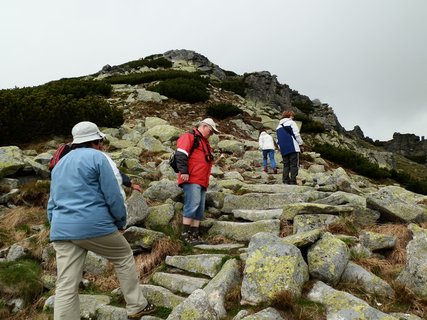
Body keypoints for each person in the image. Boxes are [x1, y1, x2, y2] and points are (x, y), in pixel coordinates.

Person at [47, 121, 155, 320]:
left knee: (65, 285)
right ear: (96, 141)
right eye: (100, 141)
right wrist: (120, 221)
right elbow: (113, 194)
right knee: (123, 256)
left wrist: (54, 223)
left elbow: (52, 200)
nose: (102, 145)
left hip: (61, 229)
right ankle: (136, 305)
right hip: (93, 225)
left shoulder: (60, 162)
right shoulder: (98, 158)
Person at [175, 118, 219, 244]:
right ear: (204, 126)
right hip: (191, 178)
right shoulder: (189, 136)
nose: (211, 135)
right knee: (192, 204)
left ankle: (194, 234)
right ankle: (184, 235)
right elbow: (181, 154)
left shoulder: (205, 142)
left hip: (202, 180)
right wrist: (184, 172)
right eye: (211, 131)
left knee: (199, 208)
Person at [276, 111, 304, 185]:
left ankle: (285, 180)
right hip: (293, 147)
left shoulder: (278, 127)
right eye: (292, 116)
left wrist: (280, 148)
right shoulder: (291, 123)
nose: (293, 117)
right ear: (289, 116)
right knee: (294, 164)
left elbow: (278, 140)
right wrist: (301, 144)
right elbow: (296, 134)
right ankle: (293, 181)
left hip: (283, 149)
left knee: (286, 165)